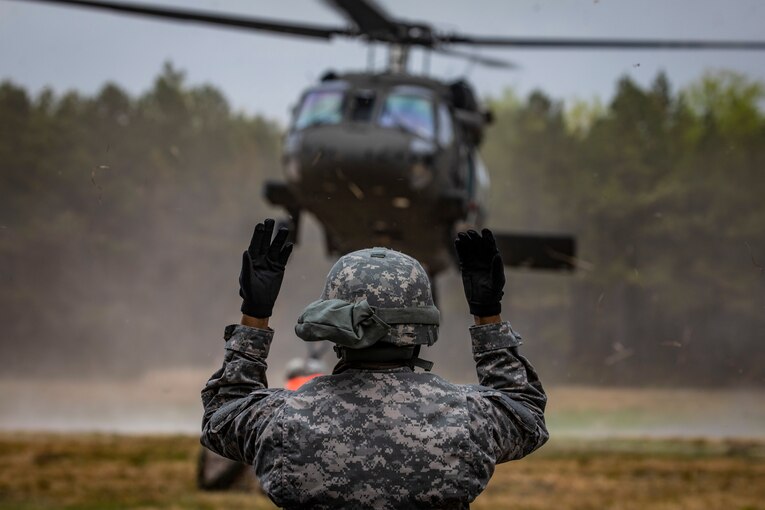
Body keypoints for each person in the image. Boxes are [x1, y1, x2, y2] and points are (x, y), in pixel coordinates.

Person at [201, 219, 548, 509]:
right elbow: (525, 413)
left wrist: (255, 316)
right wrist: (487, 315)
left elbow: (224, 416)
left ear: (334, 328)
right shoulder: (467, 418)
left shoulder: (285, 419)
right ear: (422, 328)